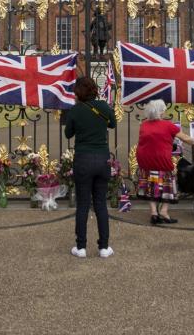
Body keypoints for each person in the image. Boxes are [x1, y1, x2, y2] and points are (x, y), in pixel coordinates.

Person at [63, 77, 117, 257]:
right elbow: (113, 124)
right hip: (102, 158)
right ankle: (103, 247)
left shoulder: (75, 110)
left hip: (83, 159)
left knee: (83, 204)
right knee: (101, 204)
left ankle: (81, 247)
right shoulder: (103, 106)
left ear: (78, 92)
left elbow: (68, 133)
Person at [136, 99, 194, 225]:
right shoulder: (167, 125)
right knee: (168, 185)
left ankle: (154, 213)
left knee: (150, 186)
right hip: (161, 160)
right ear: (160, 112)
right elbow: (186, 138)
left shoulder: (144, 125)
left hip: (144, 160)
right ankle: (164, 212)